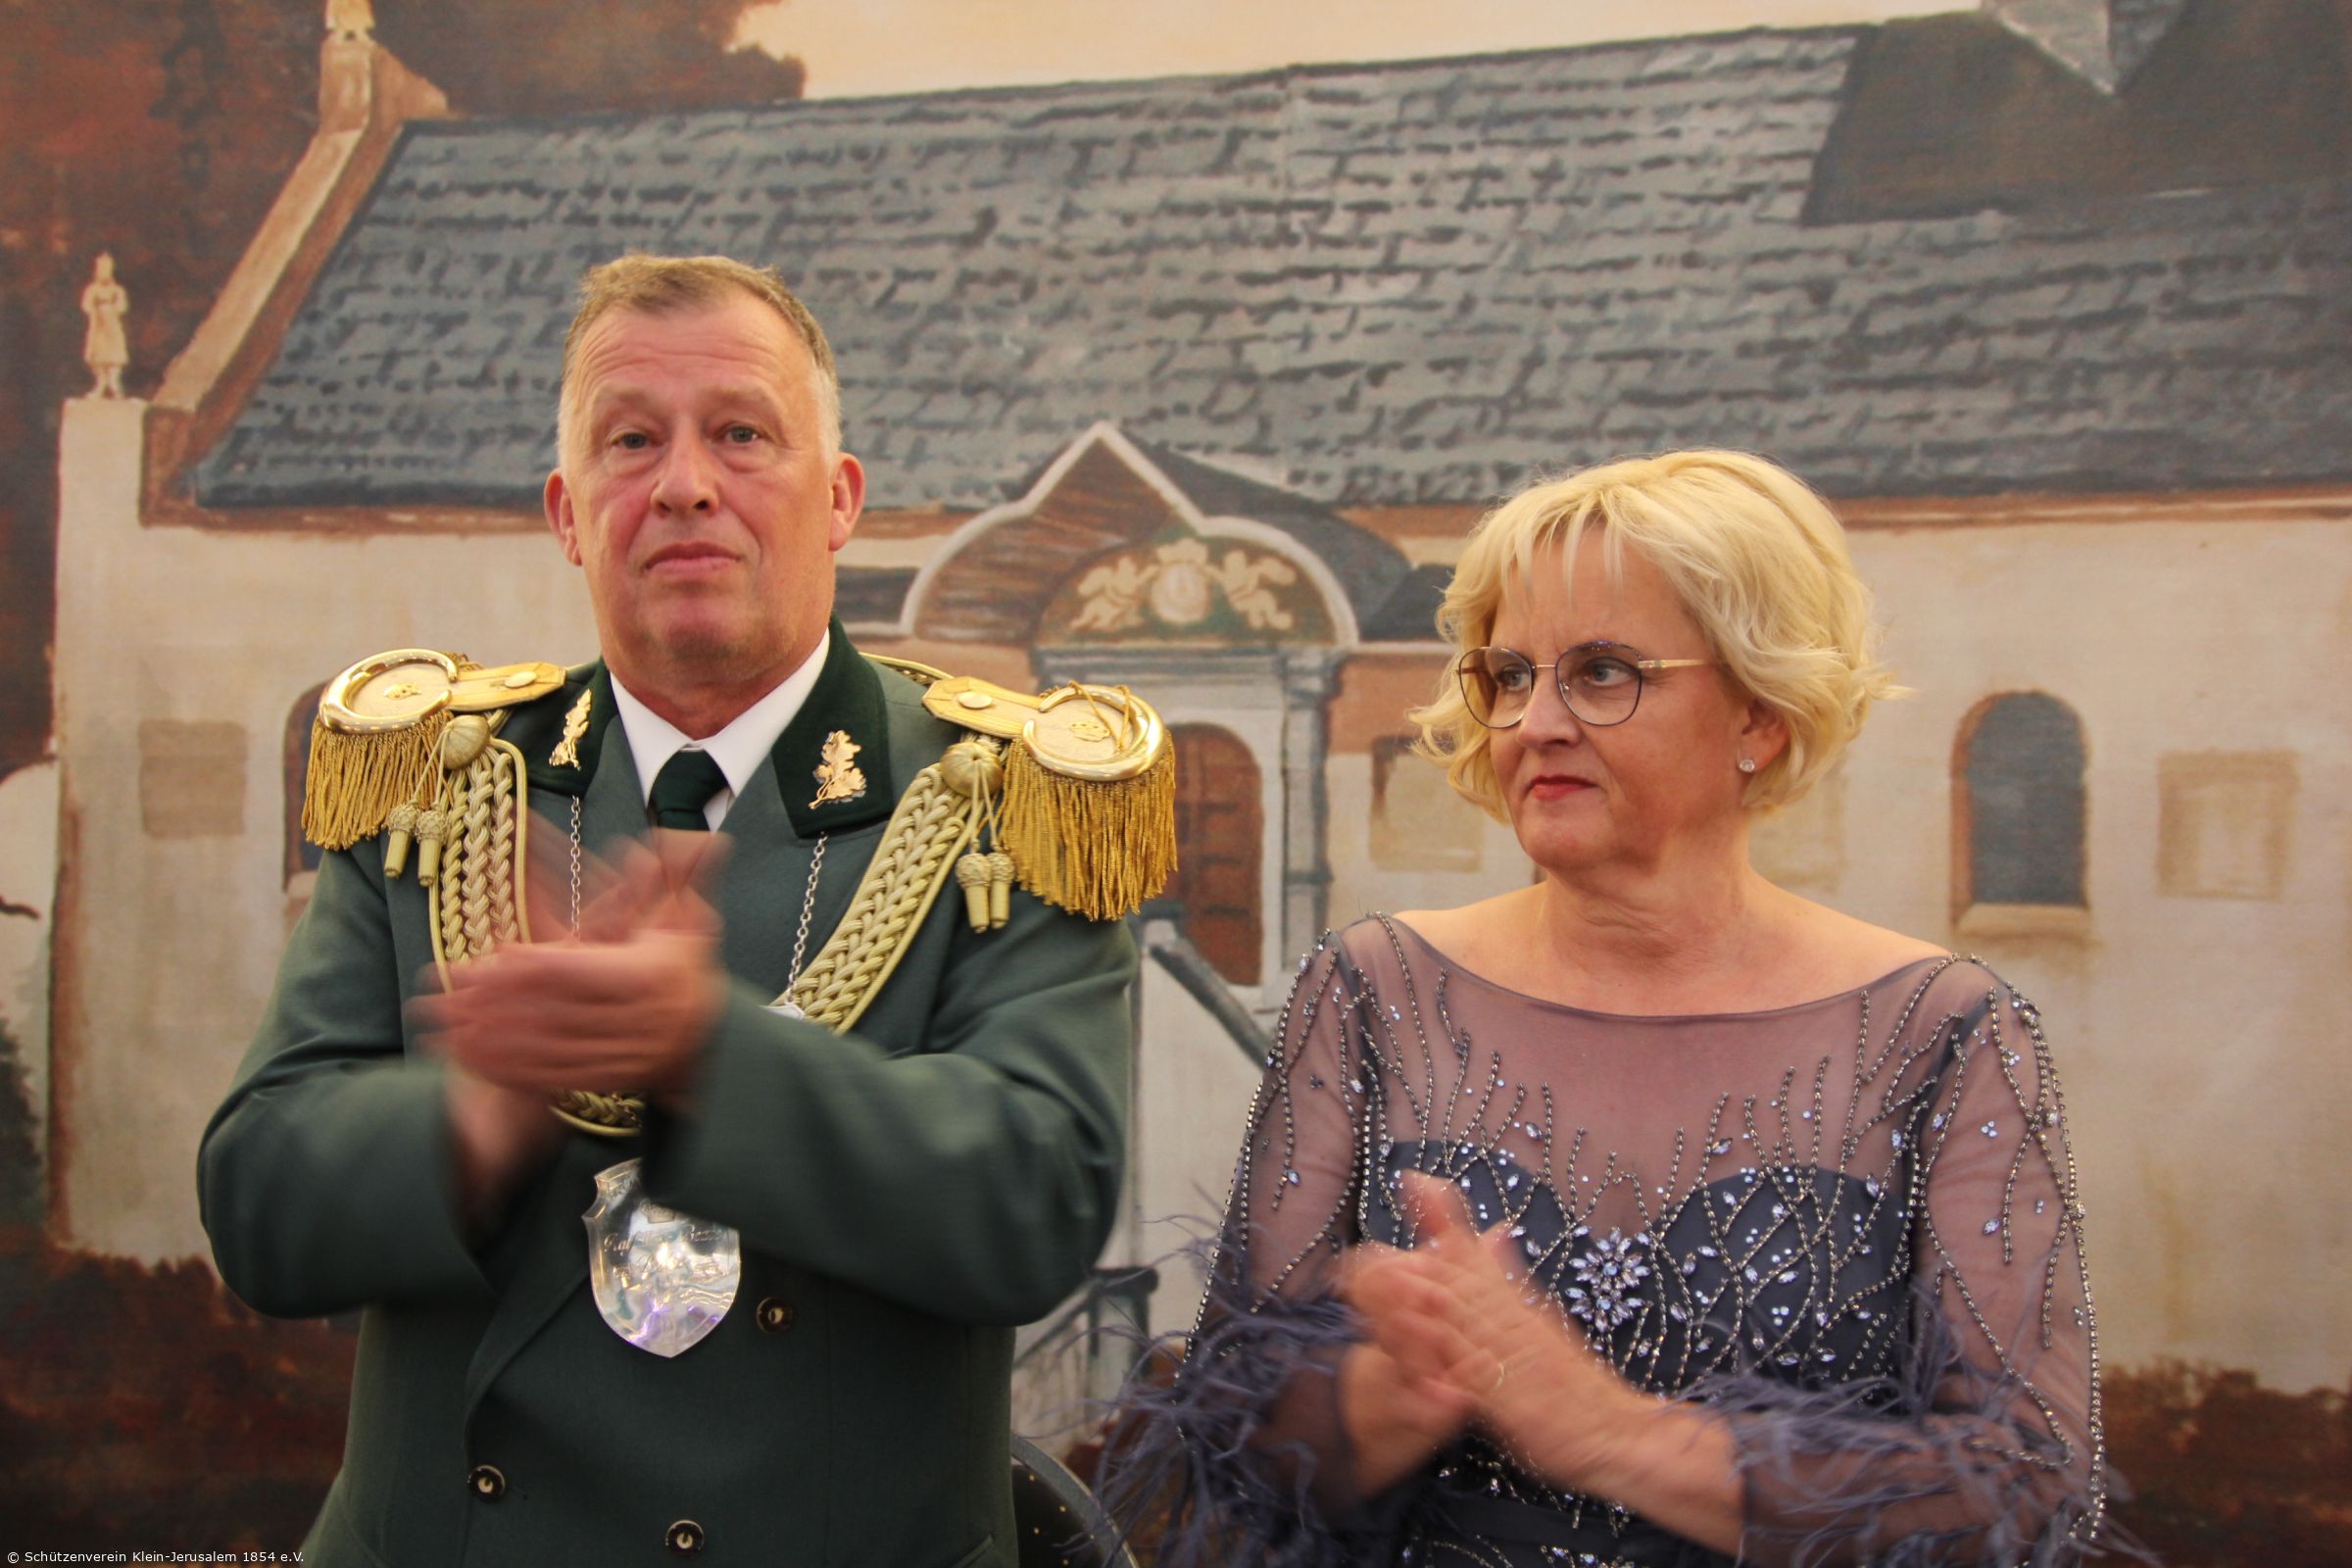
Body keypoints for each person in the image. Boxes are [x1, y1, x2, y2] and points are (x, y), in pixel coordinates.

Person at [200, 255, 1167, 1567]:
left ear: (841, 499)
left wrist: (703, 1054)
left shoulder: (1004, 800)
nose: (685, 484)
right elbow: (258, 1211)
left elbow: (1036, 1201)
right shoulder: (438, 782)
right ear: (568, 512)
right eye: (631, 441)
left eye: (742, 434)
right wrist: (478, 1112)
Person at [1105, 451, 2111, 1566]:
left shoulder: (1942, 1030)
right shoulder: (1373, 990)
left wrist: (1610, 1433)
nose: (1535, 720)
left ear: (1761, 715)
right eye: (1510, 675)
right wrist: (1390, 1395)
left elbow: (2022, 1478)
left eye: (1601, 672)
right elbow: (1230, 1429)